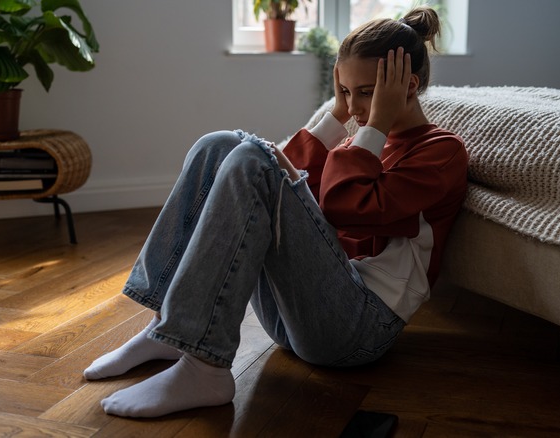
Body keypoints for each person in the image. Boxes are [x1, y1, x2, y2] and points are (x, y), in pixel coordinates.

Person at [83, 5, 468, 418]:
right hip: (298, 317)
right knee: (222, 145)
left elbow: (344, 207)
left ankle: (205, 367)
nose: (355, 108)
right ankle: (169, 327)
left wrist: (371, 129)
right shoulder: (356, 147)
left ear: (407, 86)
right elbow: (273, 178)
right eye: (346, 92)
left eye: (368, 92)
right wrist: (337, 118)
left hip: (359, 330)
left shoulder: (440, 152)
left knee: (251, 156)